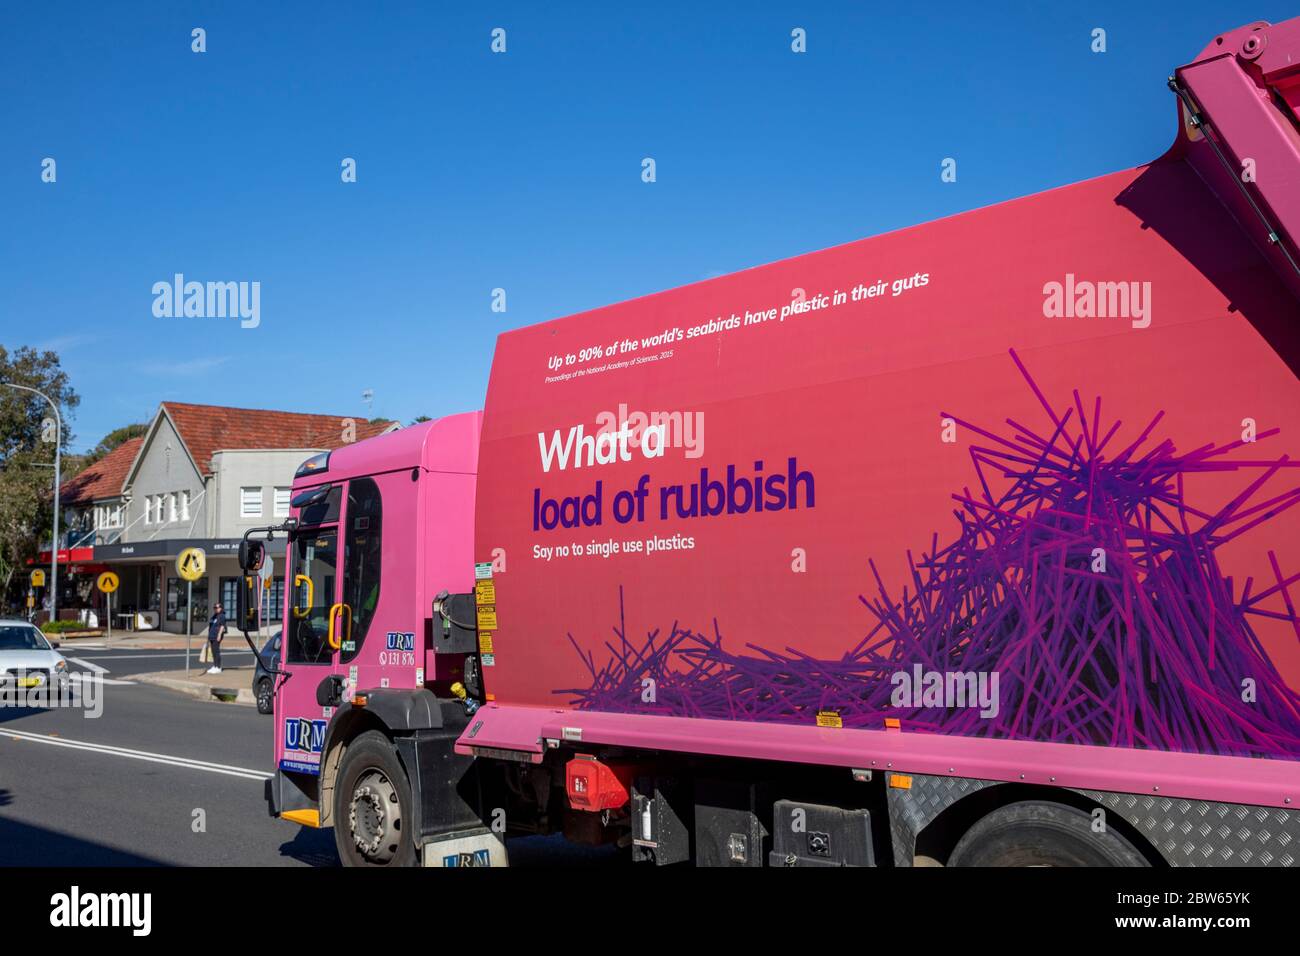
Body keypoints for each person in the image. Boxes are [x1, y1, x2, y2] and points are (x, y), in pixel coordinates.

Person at [206, 602, 227, 675]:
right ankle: (214, 666)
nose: (215, 609)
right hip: (212, 636)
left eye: (217, 607)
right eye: (214, 608)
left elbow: (222, 626)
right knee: (213, 652)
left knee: (216, 651)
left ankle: (218, 667)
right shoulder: (215, 616)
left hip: (216, 636)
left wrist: (219, 635)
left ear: (220, 608)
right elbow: (211, 625)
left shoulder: (222, 616)